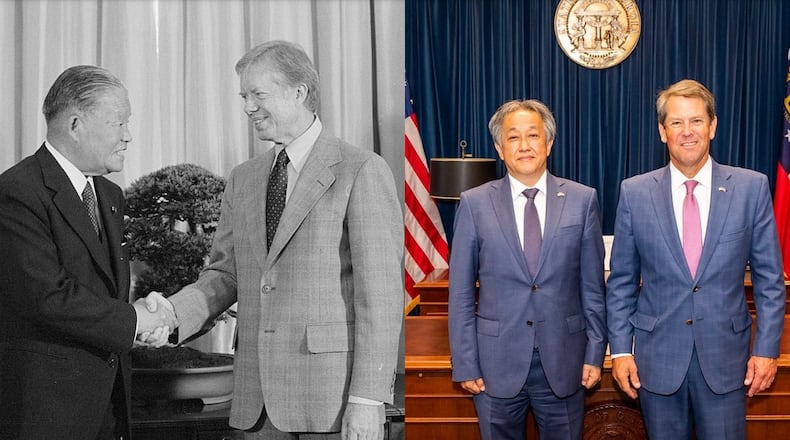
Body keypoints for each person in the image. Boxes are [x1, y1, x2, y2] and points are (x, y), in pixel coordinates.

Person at [145, 40, 403, 439]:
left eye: (257, 94)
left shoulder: (360, 169)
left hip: (333, 403)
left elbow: (381, 298)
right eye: (244, 96)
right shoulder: (243, 178)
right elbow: (226, 275)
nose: (248, 106)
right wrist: (171, 315)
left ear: (298, 92)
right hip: (257, 403)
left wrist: (368, 400)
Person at [0, 65, 177, 440]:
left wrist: (142, 312)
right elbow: (46, 297)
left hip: (110, 406)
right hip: (47, 411)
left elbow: (101, 289)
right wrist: (134, 321)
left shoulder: (110, 196)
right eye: (119, 123)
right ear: (76, 124)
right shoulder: (17, 191)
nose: (128, 136)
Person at [606, 79, 786, 439]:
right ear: (662, 131)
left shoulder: (750, 189)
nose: (687, 132)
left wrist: (767, 351)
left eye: (696, 121)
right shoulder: (635, 193)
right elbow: (622, 282)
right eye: (676, 122)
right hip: (656, 363)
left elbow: (769, 282)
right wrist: (621, 351)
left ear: (713, 126)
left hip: (728, 361)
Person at [448, 99, 607, 440]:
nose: (524, 146)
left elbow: (593, 287)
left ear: (548, 143)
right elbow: (460, 293)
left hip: (566, 362)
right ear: (499, 148)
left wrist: (595, 353)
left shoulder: (583, 199)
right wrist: (465, 362)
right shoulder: (474, 204)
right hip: (494, 365)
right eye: (513, 137)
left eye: (533, 136)